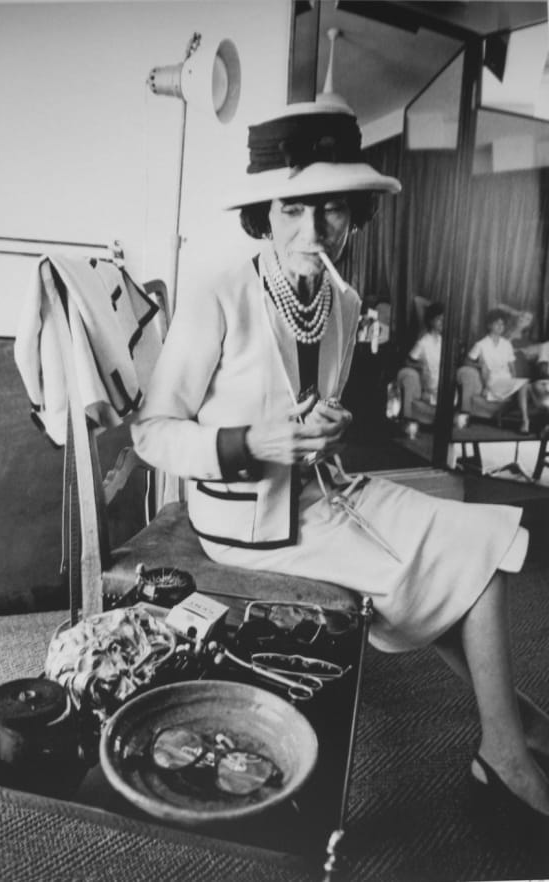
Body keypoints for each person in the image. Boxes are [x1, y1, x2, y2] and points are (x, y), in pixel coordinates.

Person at [131, 97, 549, 818]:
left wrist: (328, 424)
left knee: (477, 542)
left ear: (355, 214)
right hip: (248, 524)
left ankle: (507, 735)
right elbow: (152, 431)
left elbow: (308, 410)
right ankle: (509, 745)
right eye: (293, 209)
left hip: (327, 493)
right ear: (265, 210)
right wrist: (247, 443)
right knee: (464, 556)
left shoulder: (345, 301)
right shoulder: (218, 289)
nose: (312, 231)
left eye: (332, 211)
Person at [467, 309, 528, 403]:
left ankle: (525, 417)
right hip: (493, 381)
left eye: (502, 324)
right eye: (497, 323)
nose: (500, 327)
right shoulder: (481, 344)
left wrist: (513, 380)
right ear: (489, 325)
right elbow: (467, 361)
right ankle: (495, 395)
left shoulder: (507, 343)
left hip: (507, 380)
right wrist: (480, 366)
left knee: (524, 383)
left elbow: (512, 367)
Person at [406, 302, 444, 406]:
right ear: (431, 321)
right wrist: (422, 366)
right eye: (439, 319)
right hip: (430, 391)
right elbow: (408, 362)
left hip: (444, 390)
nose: (442, 322)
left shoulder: (444, 341)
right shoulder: (423, 342)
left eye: (443, 319)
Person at [517, 344, 549, 434]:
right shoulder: (546, 346)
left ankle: (546, 427)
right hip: (544, 382)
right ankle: (525, 420)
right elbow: (542, 371)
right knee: (524, 385)